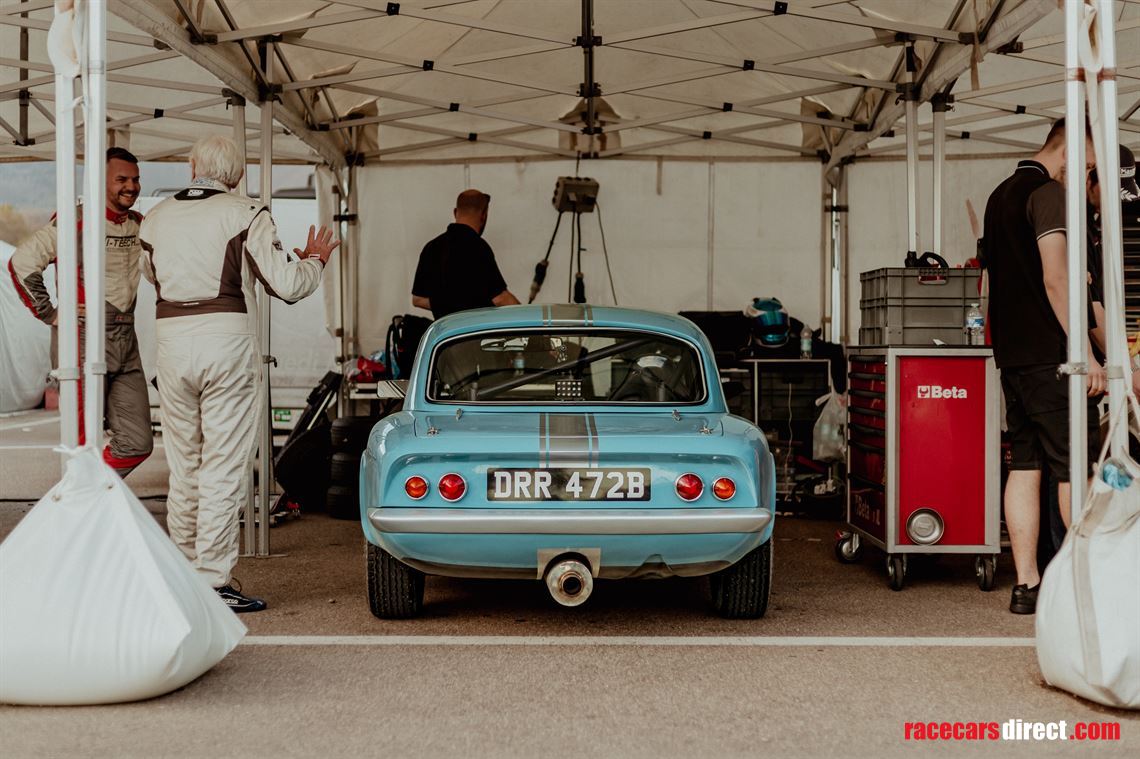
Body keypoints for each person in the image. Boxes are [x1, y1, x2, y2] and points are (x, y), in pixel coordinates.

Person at [140, 135, 339, 613]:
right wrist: (314, 261)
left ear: (192, 166)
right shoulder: (247, 213)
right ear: (238, 174)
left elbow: (152, 274)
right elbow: (286, 285)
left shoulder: (156, 217)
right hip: (226, 344)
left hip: (171, 344)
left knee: (184, 465)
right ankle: (212, 582)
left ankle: (184, 574)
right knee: (223, 465)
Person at [984, 118, 1105, 615]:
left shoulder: (998, 196)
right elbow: (1057, 279)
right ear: (1069, 151)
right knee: (1074, 465)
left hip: (1013, 358)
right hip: (1052, 359)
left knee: (1025, 464)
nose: (1087, 177)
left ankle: (1027, 585)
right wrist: (1086, 353)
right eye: (1089, 166)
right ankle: (1081, 586)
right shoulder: (1048, 194)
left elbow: (988, 285)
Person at [7, 147, 153, 477]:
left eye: (135, 179)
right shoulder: (74, 220)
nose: (131, 186)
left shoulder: (138, 224)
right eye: (121, 179)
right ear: (100, 181)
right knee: (83, 441)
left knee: (138, 441)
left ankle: (88, 490)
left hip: (125, 337)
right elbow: (22, 263)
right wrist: (49, 313)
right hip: (84, 336)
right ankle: (81, 499)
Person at [411, 189, 519, 319]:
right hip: (476, 329)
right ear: (483, 215)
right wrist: (527, 317)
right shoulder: (478, 248)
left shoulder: (431, 247)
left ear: (455, 212)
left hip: (446, 331)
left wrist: (447, 305)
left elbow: (417, 299)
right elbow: (500, 299)